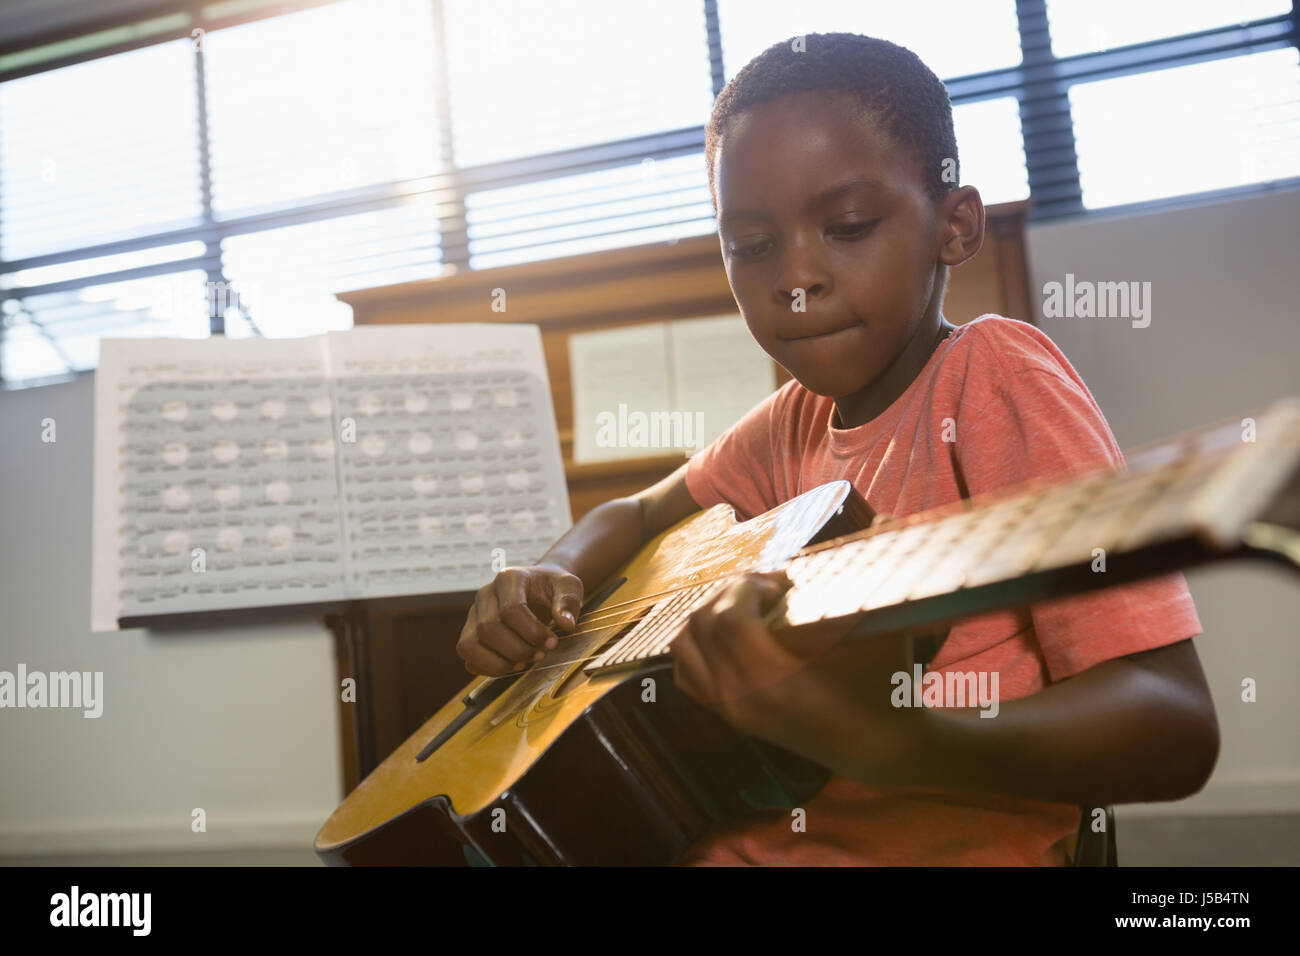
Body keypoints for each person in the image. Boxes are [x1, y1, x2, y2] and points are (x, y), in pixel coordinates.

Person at [456, 33, 1219, 865]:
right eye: (751, 245)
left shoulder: (995, 375)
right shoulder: (790, 422)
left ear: (955, 228)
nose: (796, 278)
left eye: (848, 225)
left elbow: (1173, 722)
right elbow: (637, 511)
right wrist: (552, 572)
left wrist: (896, 742)